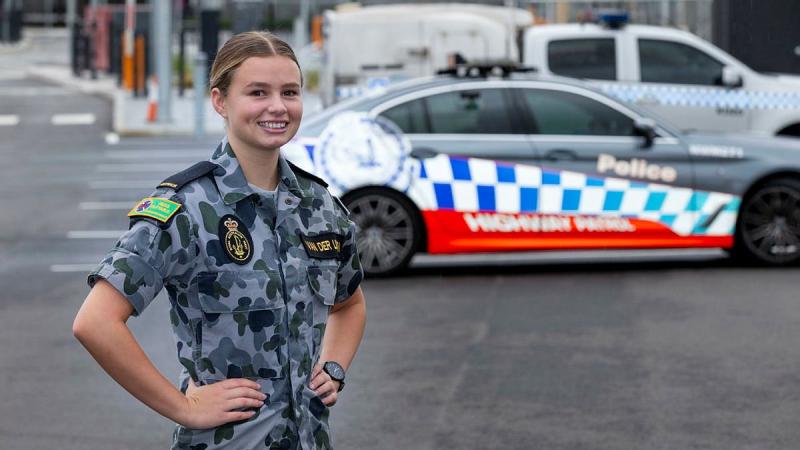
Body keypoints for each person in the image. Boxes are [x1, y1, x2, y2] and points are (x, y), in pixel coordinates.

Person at [72, 31, 366, 450]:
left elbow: (349, 303)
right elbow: (95, 322)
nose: (277, 107)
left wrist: (333, 368)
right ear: (220, 101)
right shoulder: (185, 208)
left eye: (290, 92)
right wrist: (183, 407)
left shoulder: (319, 205)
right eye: (257, 92)